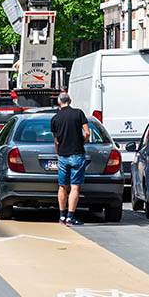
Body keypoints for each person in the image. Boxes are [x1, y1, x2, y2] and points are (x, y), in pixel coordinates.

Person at [50, 91, 90, 226]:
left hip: (62, 156)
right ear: (70, 101)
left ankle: (61, 216)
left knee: (62, 186)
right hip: (77, 154)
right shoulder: (78, 113)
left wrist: (58, 152)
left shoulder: (55, 118)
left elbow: (56, 141)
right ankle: (70, 217)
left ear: (58, 102)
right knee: (75, 187)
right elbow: (87, 132)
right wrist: (82, 142)